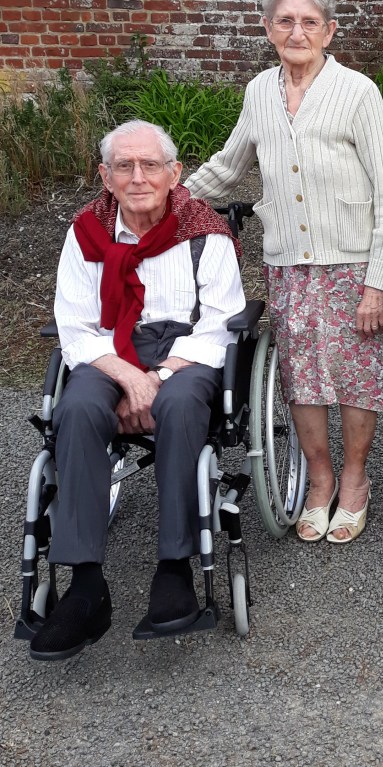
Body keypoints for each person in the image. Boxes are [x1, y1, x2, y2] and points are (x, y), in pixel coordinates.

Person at [186, 0, 383, 545]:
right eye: (285, 20)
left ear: (329, 30)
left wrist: (377, 283)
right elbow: (229, 166)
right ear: (268, 28)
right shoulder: (259, 92)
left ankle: (354, 481)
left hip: (353, 264)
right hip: (288, 264)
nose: (297, 32)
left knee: (356, 377)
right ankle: (319, 479)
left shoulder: (357, 92)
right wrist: (166, 198)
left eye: (309, 21)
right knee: (302, 377)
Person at [31, 120, 246, 661]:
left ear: (175, 173)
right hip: (109, 349)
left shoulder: (205, 233)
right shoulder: (86, 233)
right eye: (123, 166)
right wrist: (127, 376)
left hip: (186, 351)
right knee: (79, 407)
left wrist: (158, 377)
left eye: (150, 165)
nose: (137, 177)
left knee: (178, 404)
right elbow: (75, 325)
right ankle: (85, 586)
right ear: (105, 176)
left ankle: (174, 569)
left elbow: (220, 323)